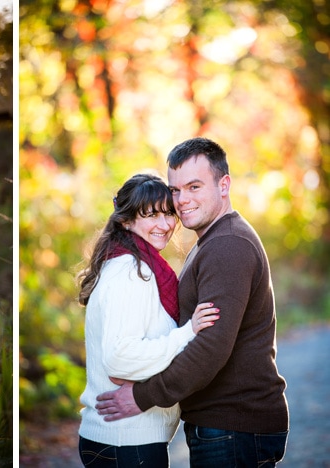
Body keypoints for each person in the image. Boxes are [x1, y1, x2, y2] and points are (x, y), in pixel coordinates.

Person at [95, 137, 289, 466]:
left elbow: (210, 346)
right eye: (176, 189)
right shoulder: (211, 241)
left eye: (194, 186)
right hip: (223, 424)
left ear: (224, 184)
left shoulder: (228, 245)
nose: (182, 200)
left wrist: (142, 397)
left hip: (233, 425)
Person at [75, 173, 220, 467]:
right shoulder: (131, 272)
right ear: (126, 221)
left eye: (168, 213)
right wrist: (187, 333)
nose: (165, 225)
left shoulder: (132, 264)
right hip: (125, 442)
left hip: (123, 440)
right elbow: (120, 359)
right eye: (151, 215)